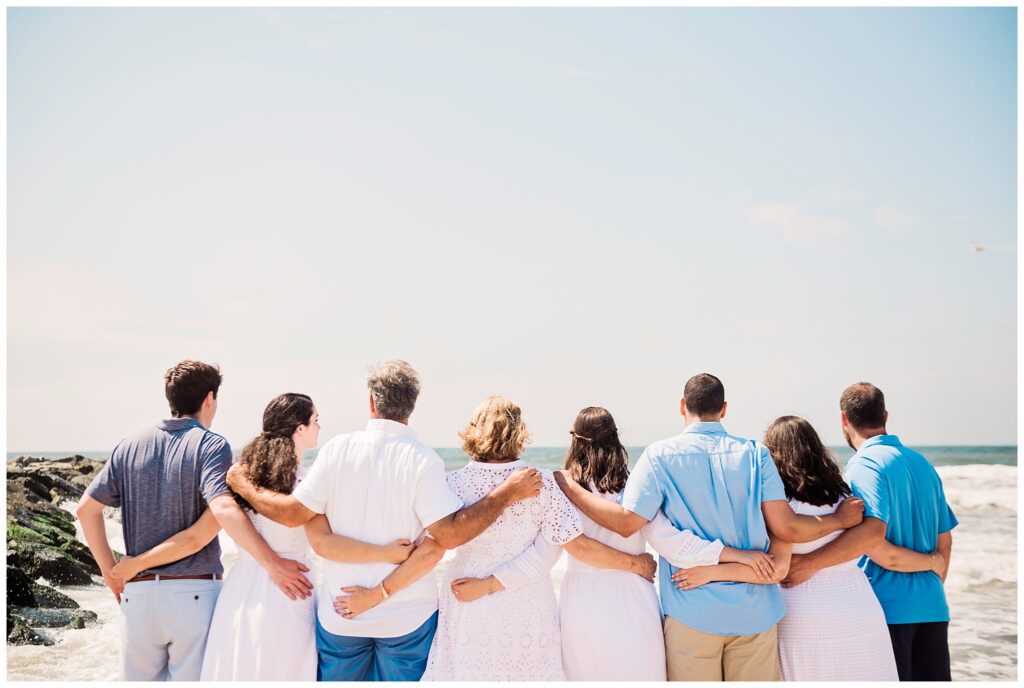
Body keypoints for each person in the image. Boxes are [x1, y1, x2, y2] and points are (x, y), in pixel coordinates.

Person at [226, 361, 543, 682]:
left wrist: (242, 484)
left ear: (371, 402)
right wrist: (505, 494)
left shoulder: (337, 449)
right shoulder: (424, 460)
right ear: (412, 405)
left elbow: (293, 514)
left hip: (341, 613)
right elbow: (447, 536)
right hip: (407, 619)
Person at [555, 373, 864, 681]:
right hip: (754, 609)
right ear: (724, 409)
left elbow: (626, 523)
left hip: (691, 610)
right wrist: (837, 520)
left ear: (682, 406)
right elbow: (785, 527)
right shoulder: (757, 454)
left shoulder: (658, 456)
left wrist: (569, 487)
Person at [110, 394, 415, 680]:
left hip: (240, 593)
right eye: (316, 419)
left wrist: (137, 563)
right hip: (291, 591)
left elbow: (196, 537)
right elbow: (325, 543)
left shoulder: (242, 480)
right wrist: (385, 551)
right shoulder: (305, 484)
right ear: (300, 428)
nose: (320, 426)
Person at [75, 361, 312, 681]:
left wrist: (112, 573)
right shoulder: (210, 445)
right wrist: (272, 562)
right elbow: (210, 525)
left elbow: (86, 510)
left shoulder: (129, 445)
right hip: (193, 595)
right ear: (210, 398)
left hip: (138, 596)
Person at [420, 397, 660, 681]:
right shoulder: (542, 481)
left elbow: (429, 547)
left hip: (465, 599)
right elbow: (565, 549)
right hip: (527, 605)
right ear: (519, 431)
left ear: (473, 429)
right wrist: (637, 564)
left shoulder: (451, 483)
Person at [555, 407, 780, 681]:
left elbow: (568, 546)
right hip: (633, 595)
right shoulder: (631, 486)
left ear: (574, 440)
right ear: (615, 438)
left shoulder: (560, 487)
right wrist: (735, 555)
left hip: (581, 599)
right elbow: (673, 542)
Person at [780, 383, 957, 681]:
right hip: (933, 606)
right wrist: (934, 568)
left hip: (889, 606)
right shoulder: (922, 463)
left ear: (843, 419)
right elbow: (945, 540)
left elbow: (876, 542)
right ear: (885, 414)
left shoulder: (864, 465)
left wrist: (810, 563)